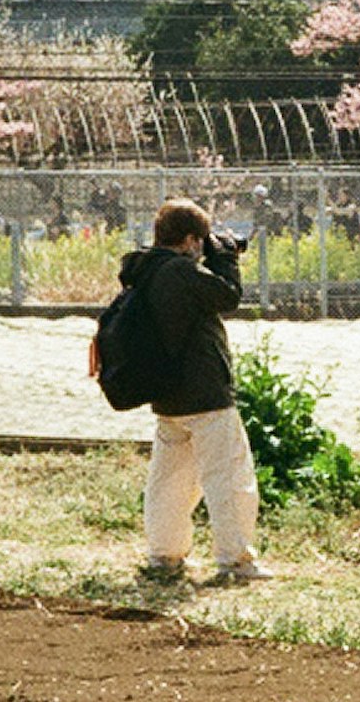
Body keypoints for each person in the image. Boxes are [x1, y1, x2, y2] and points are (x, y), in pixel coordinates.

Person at [102, 198, 262, 586]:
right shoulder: (177, 272)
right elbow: (227, 296)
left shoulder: (145, 270)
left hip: (168, 396)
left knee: (170, 484)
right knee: (228, 478)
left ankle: (165, 555)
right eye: (201, 241)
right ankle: (235, 560)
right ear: (189, 239)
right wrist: (224, 258)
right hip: (204, 394)